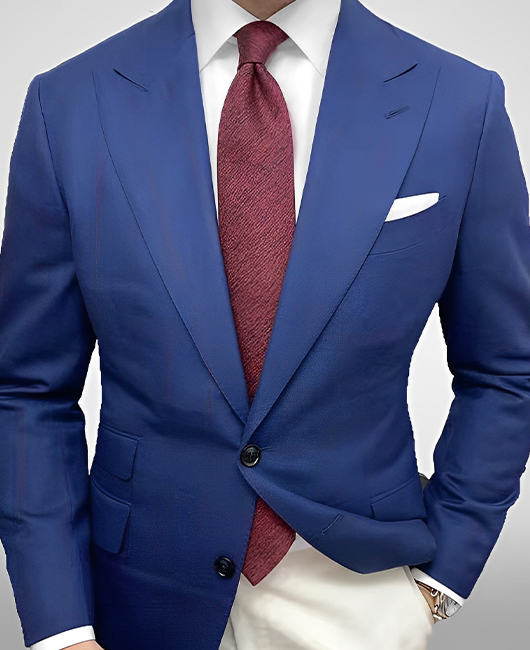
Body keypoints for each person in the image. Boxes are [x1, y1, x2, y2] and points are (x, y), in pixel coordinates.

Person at [1, 0, 529, 648]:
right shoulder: (71, 102)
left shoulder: (460, 102)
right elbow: (27, 389)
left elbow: (506, 368)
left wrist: (437, 585)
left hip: (360, 597)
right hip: (134, 603)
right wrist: (61, 628)